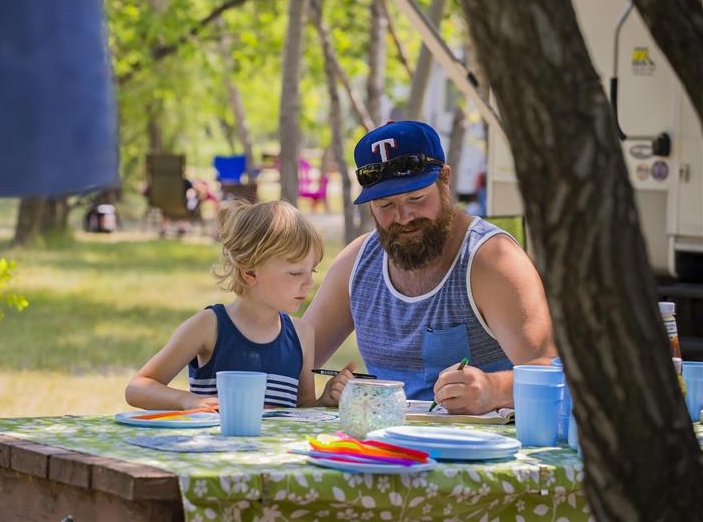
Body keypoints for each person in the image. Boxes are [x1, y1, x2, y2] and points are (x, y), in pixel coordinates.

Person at [304, 121, 556, 415]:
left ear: (445, 180)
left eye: (416, 198)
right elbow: (292, 359)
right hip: (384, 450)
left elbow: (550, 372)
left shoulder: (491, 260)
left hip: (477, 454)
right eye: (385, 205)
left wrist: (494, 390)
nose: (404, 216)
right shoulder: (357, 263)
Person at [126, 200, 353, 410]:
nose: (309, 283)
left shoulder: (302, 334)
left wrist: (324, 400)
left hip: (274, 454)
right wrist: (188, 401)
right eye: (295, 273)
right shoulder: (209, 326)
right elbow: (137, 388)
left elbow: (300, 410)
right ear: (249, 272)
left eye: (311, 271)